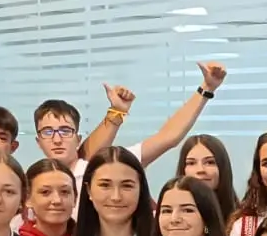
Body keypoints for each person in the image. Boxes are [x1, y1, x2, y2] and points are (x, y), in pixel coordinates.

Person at [40, 60, 228, 194]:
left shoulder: (104, 168)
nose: (57, 139)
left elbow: (167, 138)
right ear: (38, 141)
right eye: (48, 132)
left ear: (78, 138)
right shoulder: (31, 183)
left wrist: (206, 89)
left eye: (65, 131)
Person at [180, 133, 241, 226]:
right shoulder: (171, 218)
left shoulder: (241, 222)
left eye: (209, 162)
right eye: (191, 163)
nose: (200, 170)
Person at [23, 158, 77, 236]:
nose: (57, 200)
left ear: (75, 198)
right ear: (27, 199)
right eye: (45, 192)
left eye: (64, 192)